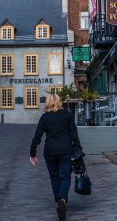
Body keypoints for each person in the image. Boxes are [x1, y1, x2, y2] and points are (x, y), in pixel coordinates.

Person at [29, 93, 82, 221]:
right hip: (65, 150)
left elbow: (37, 136)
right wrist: (79, 149)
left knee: (54, 177)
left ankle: (59, 200)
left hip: (50, 151)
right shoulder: (67, 115)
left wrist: (32, 153)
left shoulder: (45, 117)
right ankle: (62, 200)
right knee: (65, 177)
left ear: (47, 103)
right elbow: (74, 134)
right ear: (60, 102)